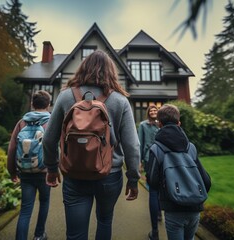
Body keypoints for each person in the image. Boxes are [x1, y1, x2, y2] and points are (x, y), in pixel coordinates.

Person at [42, 49, 140, 240]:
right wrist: (133, 178)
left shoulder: (65, 97)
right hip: (109, 175)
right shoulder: (120, 101)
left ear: (82, 69)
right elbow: (133, 146)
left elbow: (48, 139)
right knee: (104, 220)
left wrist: (52, 169)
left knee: (75, 233)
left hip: (74, 174)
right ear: (111, 72)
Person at [146, 104, 205, 240]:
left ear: (159, 124)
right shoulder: (191, 148)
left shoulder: (156, 149)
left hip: (173, 208)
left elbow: (152, 181)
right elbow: (205, 181)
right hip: (195, 208)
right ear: (179, 123)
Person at [7, 90, 51, 240]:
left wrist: (12, 172)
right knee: (44, 202)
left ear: (32, 104)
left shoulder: (22, 122)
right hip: (44, 172)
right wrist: (55, 170)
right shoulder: (50, 122)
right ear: (49, 105)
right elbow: (55, 148)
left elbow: (12, 148)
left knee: (25, 209)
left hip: (25, 172)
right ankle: (39, 235)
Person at [138, 105, 162, 240]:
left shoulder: (161, 124)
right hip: (149, 159)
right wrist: (139, 161)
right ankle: (157, 216)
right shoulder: (143, 125)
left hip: (163, 160)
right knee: (153, 189)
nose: (153, 112)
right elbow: (139, 143)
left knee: (157, 189)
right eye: (151, 110)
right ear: (148, 113)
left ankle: (159, 212)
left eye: (155, 110)